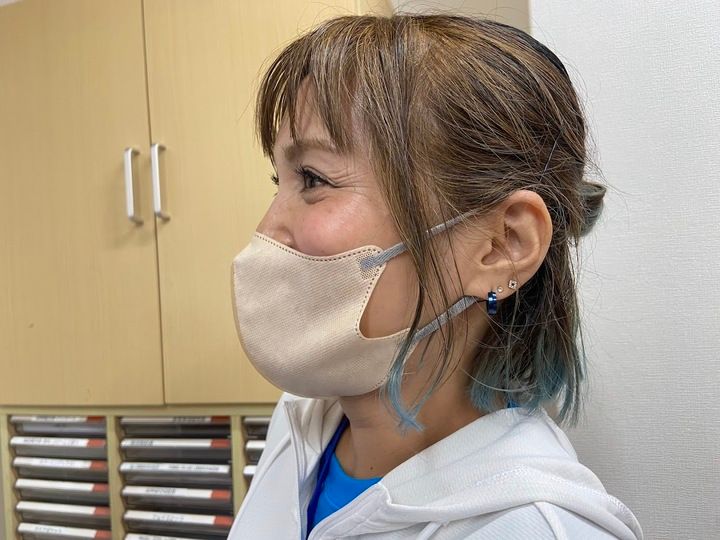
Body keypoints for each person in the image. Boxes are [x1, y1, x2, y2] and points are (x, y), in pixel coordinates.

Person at [227, 13, 643, 540]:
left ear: (501, 246)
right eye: (279, 180)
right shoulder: (303, 425)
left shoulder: (532, 528)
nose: (268, 230)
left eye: (313, 179)